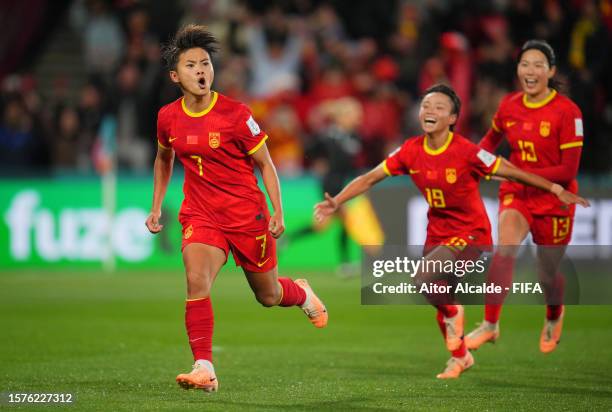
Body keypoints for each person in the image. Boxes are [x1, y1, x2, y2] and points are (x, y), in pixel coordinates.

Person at [314, 84, 588, 379]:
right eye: (425, 106)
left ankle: (460, 317)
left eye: (439, 107)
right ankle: (460, 358)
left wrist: (554, 188)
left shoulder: (467, 152)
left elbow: (509, 169)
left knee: (425, 279)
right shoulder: (411, 150)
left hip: (472, 234)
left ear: (453, 118)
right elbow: (370, 178)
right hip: (438, 233)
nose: (429, 111)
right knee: (438, 295)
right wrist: (337, 201)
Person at [145, 25, 328, 393]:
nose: (201, 71)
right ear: (175, 76)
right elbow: (164, 158)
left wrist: (277, 211)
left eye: (206, 64)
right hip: (200, 213)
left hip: (246, 216)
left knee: (269, 295)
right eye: (192, 65)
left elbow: (266, 164)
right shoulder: (168, 117)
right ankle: (204, 367)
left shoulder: (235, 114)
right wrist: (156, 207)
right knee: (196, 280)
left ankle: (302, 293)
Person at [466, 40, 585, 353]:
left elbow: (568, 170)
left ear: (551, 71)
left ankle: (554, 313)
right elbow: (491, 139)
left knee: (546, 272)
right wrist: (472, 162)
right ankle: (490, 324)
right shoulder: (509, 105)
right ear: (518, 69)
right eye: (524, 65)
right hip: (517, 193)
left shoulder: (568, 112)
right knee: (505, 248)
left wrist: (517, 172)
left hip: (554, 198)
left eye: (538, 65)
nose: (530, 71)